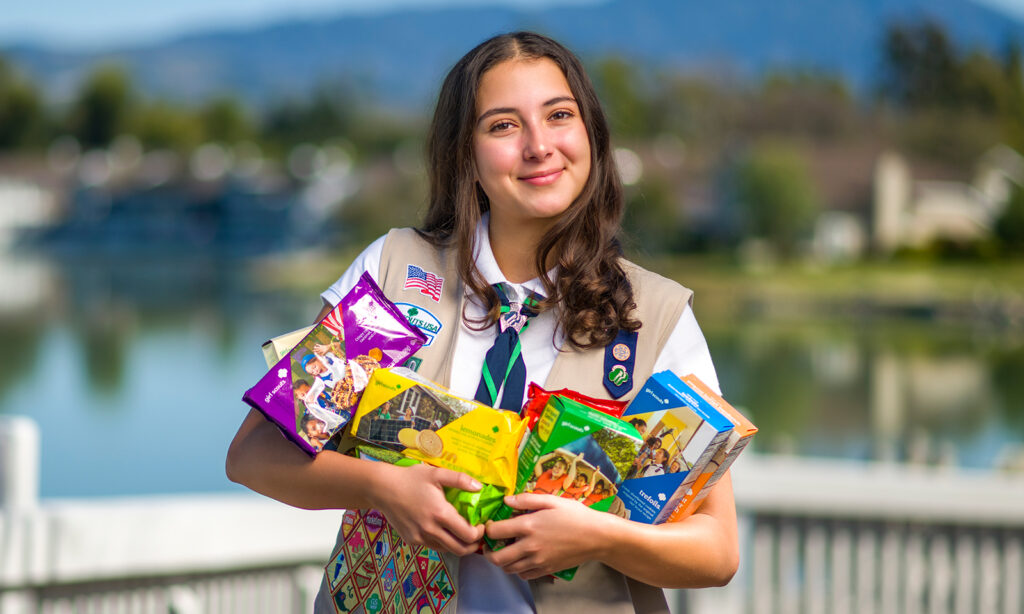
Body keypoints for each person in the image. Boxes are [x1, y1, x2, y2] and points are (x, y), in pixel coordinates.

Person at [226, 31, 737, 613]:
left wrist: (600, 536)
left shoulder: (652, 318)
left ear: (591, 136)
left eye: (559, 116)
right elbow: (256, 454)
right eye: (503, 126)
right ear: (464, 154)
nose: (539, 146)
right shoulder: (398, 273)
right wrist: (382, 488)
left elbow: (717, 550)